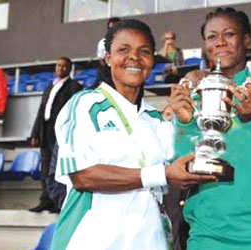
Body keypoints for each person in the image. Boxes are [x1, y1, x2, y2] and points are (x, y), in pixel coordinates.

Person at [51, 19, 216, 250]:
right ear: (108, 57)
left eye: (144, 51)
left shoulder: (154, 118)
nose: (134, 58)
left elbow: (185, 166)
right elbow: (83, 177)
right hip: (93, 242)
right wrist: (162, 174)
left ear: (152, 60)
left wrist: (187, 122)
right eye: (123, 50)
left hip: (150, 241)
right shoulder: (84, 105)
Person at [170, 7, 251, 250]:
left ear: (246, 39)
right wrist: (183, 124)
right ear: (205, 44)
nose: (220, 42)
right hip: (206, 234)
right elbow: (178, 170)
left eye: (229, 34)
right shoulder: (191, 100)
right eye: (212, 37)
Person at [29, 57, 82, 213]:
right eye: (58, 65)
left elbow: (73, 110)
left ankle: (58, 201)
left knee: (58, 168)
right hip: (45, 131)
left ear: (69, 69)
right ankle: (45, 200)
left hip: (61, 132)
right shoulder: (49, 87)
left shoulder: (74, 86)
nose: (60, 68)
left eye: (64, 66)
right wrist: (35, 133)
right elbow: (42, 111)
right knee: (45, 168)